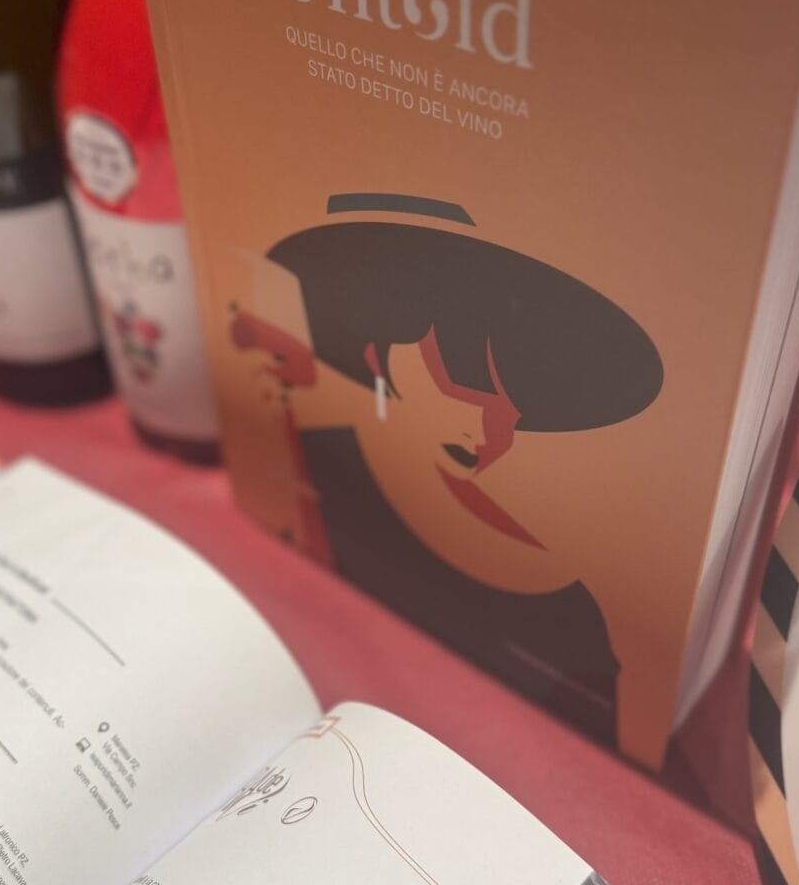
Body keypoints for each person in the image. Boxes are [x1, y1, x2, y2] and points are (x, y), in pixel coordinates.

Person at [230, 193, 664, 743]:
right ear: (377, 357)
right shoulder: (316, 458)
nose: (489, 431)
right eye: (463, 386)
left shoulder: (567, 612)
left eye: (512, 408)